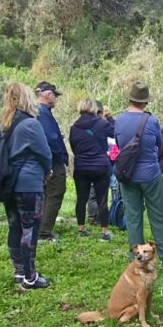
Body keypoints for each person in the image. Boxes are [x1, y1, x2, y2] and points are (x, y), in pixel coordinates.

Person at [0, 83, 53, 289]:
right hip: (29, 183)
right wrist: (48, 170)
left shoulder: (5, 122)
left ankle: (19, 271)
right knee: (30, 228)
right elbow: (44, 152)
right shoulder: (31, 124)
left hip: (8, 182)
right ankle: (31, 276)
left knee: (15, 226)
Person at [114, 82, 163, 261]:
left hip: (127, 175)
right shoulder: (152, 121)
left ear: (130, 99)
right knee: (157, 215)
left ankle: (136, 257)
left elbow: (118, 145)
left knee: (133, 215)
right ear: (145, 102)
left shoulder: (119, 120)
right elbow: (160, 146)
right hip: (150, 174)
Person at [69, 98, 115, 241]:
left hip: (81, 166)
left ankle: (81, 229)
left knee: (81, 199)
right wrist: (110, 119)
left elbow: (73, 147)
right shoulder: (101, 123)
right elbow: (115, 133)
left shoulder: (74, 127)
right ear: (95, 109)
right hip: (100, 166)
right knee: (102, 199)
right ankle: (105, 232)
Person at [35, 81, 68, 242]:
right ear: (48, 95)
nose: (55, 99)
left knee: (43, 195)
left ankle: (38, 228)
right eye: (55, 95)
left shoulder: (35, 111)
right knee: (55, 193)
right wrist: (58, 154)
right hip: (53, 161)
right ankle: (44, 232)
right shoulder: (44, 112)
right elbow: (50, 138)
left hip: (42, 160)